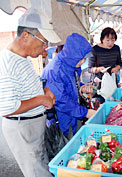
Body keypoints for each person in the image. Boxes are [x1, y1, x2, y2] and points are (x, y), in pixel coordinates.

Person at [0, 8, 60, 177]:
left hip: (33, 124)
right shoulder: (7, 62)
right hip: (22, 127)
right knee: (36, 172)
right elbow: (7, 108)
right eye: (43, 42)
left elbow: (27, 87)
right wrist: (41, 99)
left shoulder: (23, 57)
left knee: (42, 164)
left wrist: (45, 90)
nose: (45, 48)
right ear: (26, 36)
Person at [42, 33, 96, 140]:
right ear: (71, 55)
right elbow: (61, 100)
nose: (83, 61)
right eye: (81, 58)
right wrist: (85, 112)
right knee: (64, 147)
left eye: (85, 58)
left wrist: (81, 87)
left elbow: (70, 84)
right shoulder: (55, 71)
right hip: (60, 120)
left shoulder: (70, 64)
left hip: (73, 115)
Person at [88, 27, 122, 102]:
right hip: (100, 83)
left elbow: (119, 63)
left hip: (112, 81)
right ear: (102, 39)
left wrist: (117, 68)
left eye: (113, 40)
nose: (110, 43)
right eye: (107, 40)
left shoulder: (116, 48)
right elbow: (89, 69)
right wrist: (98, 69)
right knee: (101, 102)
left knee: (113, 100)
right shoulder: (95, 50)